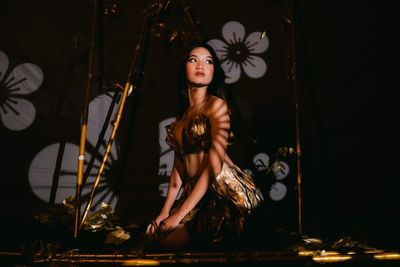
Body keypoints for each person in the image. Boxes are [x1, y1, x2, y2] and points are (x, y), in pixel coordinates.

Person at [145, 42, 263, 251]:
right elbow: (177, 175)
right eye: (193, 60)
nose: (201, 65)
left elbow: (214, 166)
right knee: (154, 238)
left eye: (208, 61)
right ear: (184, 68)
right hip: (196, 195)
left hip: (224, 193)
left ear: (213, 72)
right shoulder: (179, 121)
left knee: (168, 242)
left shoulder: (216, 105)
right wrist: (165, 212)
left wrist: (179, 216)